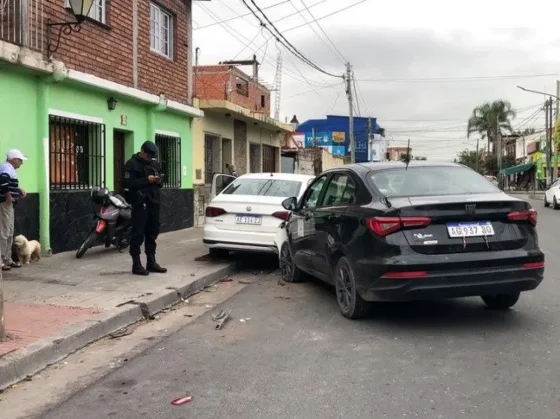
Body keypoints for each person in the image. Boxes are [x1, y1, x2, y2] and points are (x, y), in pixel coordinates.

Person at [123, 141, 167, 276]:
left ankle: (151, 262)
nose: (150, 158)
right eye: (148, 155)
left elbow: (160, 181)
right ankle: (136, 265)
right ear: (142, 151)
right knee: (138, 234)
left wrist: (159, 180)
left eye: (151, 156)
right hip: (140, 203)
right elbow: (127, 183)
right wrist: (147, 180)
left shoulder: (153, 164)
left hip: (154, 203)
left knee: (152, 233)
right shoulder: (131, 164)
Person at [0, 149, 27, 271]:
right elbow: (3, 181)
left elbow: (8, 182)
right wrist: (9, 196)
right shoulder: (6, 168)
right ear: (14, 159)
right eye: (20, 161)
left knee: (9, 232)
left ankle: (7, 259)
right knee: (4, 233)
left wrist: (17, 189)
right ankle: (1, 260)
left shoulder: (9, 169)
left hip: (9, 205)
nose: (21, 164)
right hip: (5, 204)